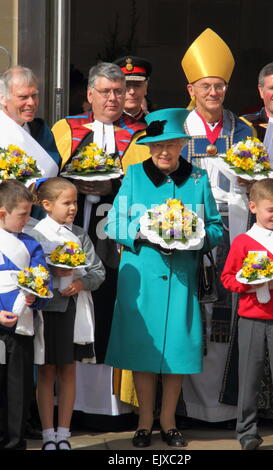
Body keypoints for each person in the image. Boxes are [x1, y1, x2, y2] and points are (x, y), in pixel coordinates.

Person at [104, 108, 223, 447]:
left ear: (184, 144)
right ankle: (144, 422)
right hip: (141, 279)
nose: (164, 152)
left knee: (177, 351)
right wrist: (139, 231)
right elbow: (112, 224)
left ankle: (168, 421)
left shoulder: (198, 180)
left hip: (182, 279)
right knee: (143, 351)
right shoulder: (134, 175)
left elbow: (215, 227)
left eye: (171, 144)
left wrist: (200, 238)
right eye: (157, 146)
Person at [52, 62, 146, 428]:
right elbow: (48, 176)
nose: (112, 98)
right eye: (105, 91)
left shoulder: (139, 134)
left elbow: (144, 187)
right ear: (89, 94)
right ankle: (67, 407)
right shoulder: (66, 129)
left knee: (109, 309)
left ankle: (111, 408)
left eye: (118, 92)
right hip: (71, 232)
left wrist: (113, 187)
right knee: (67, 308)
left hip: (115, 240)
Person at [178, 28, 253, 425]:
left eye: (220, 86)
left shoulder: (242, 130)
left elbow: (255, 178)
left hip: (233, 233)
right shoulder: (175, 129)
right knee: (194, 319)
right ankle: (188, 408)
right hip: (189, 236)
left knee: (225, 318)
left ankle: (224, 408)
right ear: (191, 88)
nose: (213, 93)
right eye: (206, 85)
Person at [221, 178, 273, 450]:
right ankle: (247, 432)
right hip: (251, 317)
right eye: (271, 210)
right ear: (253, 207)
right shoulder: (243, 242)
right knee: (249, 377)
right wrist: (248, 283)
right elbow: (228, 278)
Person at [30, 177, 105, 450]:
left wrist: (80, 283)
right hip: (47, 311)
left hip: (73, 311)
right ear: (47, 205)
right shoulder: (37, 235)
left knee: (69, 370)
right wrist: (52, 273)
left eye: (75, 202)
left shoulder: (81, 235)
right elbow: (30, 274)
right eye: (67, 203)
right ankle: (48, 434)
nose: (73, 207)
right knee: (47, 371)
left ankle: (64, 432)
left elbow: (98, 272)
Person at [0, 180, 50, 450]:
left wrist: (37, 293)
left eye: (29, 212)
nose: (27, 219)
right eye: (22, 214)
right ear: (2, 213)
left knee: (18, 391)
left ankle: (15, 444)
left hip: (21, 330)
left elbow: (44, 280)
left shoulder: (32, 244)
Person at [0, 66, 61, 225]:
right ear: (2, 98)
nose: (31, 103)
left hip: (41, 222)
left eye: (34, 95)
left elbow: (53, 168)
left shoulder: (40, 130)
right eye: (23, 97)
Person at [114, 55, 152, 122]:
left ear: (145, 88)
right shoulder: (104, 125)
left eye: (137, 85)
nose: (132, 91)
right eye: (126, 86)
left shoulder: (154, 125)